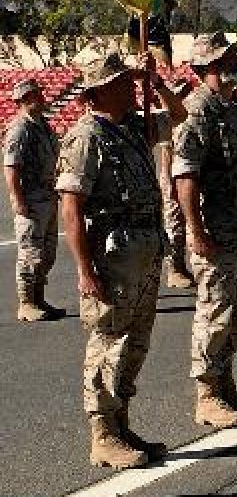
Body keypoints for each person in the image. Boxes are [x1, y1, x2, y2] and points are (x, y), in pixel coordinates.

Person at [58, 52, 185, 468]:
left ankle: (121, 424)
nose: (130, 87)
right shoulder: (86, 137)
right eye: (122, 82)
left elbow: (179, 115)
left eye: (131, 81)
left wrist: (156, 81)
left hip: (143, 251)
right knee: (108, 343)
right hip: (111, 257)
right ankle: (103, 434)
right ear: (98, 93)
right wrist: (84, 270)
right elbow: (71, 208)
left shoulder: (132, 127)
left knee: (134, 343)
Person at [173, 33, 237, 429]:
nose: (235, 61)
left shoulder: (235, 109)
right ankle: (207, 394)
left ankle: (225, 382)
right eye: (224, 58)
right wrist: (195, 232)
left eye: (233, 55)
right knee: (215, 311)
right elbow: (186, 177)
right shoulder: (197, 112)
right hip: (216, 229)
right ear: (204, 69)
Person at [5, 78, 63, 321]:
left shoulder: (42, 125)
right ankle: (26, 303)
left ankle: (38, 298)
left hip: (47, 198)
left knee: (46, 254)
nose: (40, 98)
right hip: (31, 200)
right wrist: (17, 199)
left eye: (38, 94)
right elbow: (11, 168)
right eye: (34, 95)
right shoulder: (20, 129)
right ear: (24, 100)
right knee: (30, 253)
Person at [159, 80, 195, 291]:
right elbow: (167, 155)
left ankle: (181, 266)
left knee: (183, 224)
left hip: (183, 175)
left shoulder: (184, 120)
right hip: (172, 176)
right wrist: (170, 185)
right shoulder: (170, 121)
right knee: (175, 226)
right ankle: (175, 269)